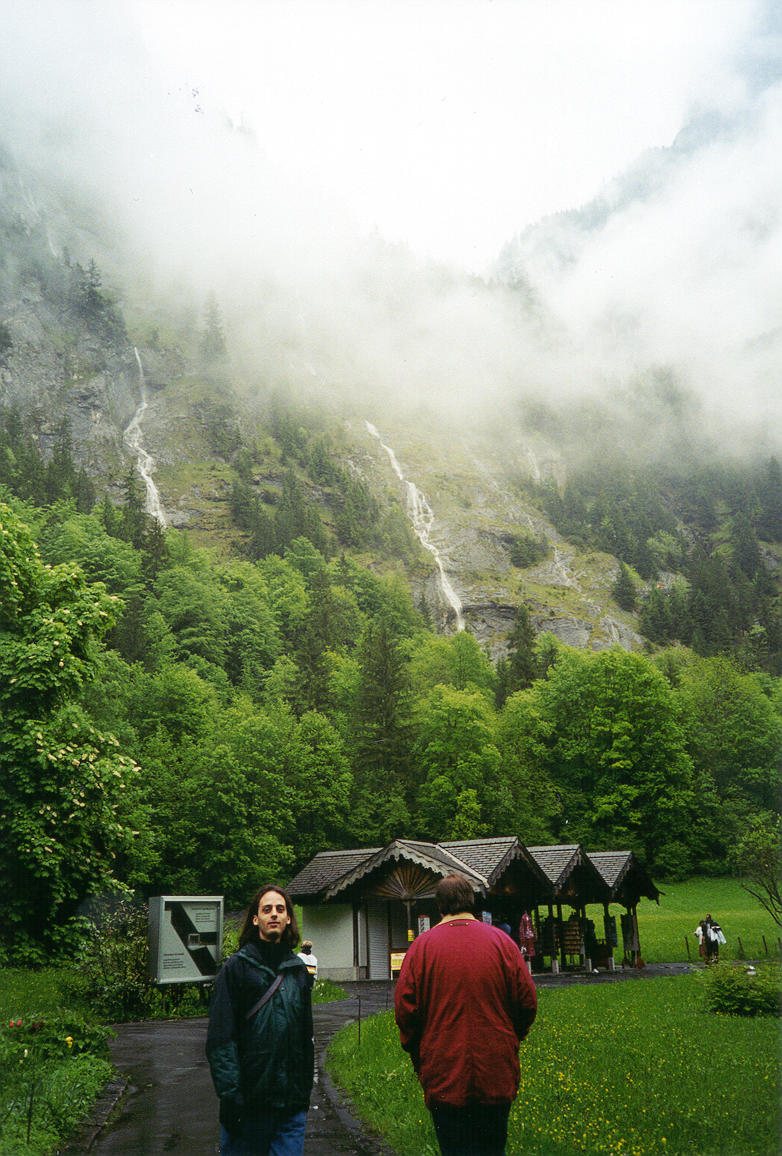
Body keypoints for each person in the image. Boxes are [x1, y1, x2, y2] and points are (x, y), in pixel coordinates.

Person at [395, 874, 538, 1156]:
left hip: (443, 1070)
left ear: (439, 906)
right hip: (496, 1067)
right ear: (472, 902)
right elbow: (527, 1002)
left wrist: (419, 1052)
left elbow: (405, 1011)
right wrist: (512, 1038)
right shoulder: (502, 943)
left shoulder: (421, 948)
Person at [206, 884, 314, 1156]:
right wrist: (230, 1095)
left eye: (280, 909)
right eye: (267, 910)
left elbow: (306, 1037)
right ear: (256, 920)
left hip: (290, 1105)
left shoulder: (298, 972)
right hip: (248, 1104)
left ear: (288, 918)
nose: (274, 914)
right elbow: (220, 1038)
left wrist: (303, 1093)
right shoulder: (236, 969)